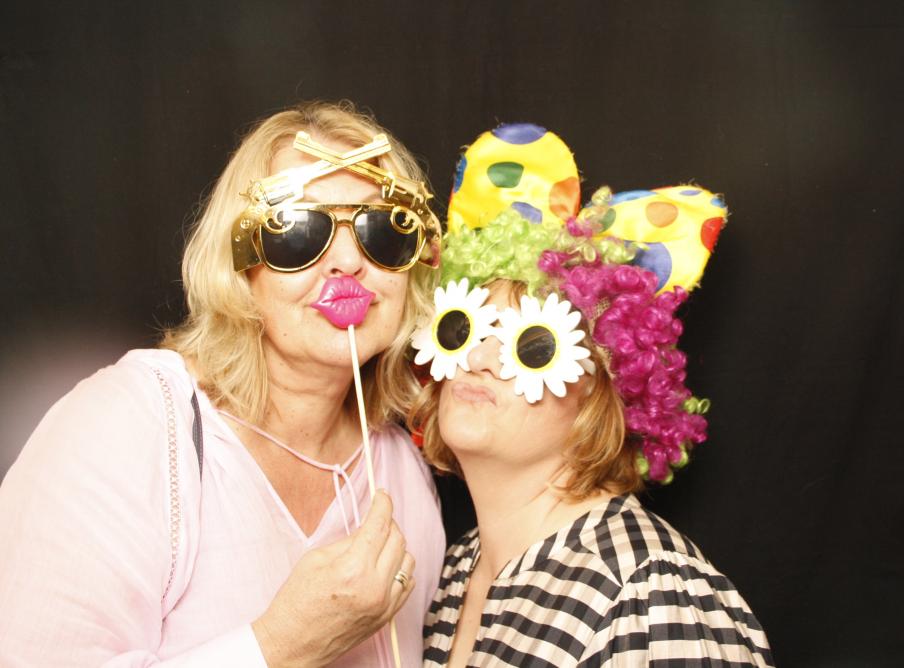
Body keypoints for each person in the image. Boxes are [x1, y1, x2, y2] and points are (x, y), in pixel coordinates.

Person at [0, 101, 446, 666]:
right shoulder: (126, 428)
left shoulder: (402, 470)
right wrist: (280, 645)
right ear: (238, 265)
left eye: (382, 230)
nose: (347, 263)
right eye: (297, 230)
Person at [409, 124, 774, 666]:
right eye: (464, 327)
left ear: (601, 393)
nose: (478, 358)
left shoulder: (652, 599)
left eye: (532, 345)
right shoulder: (455, 572)